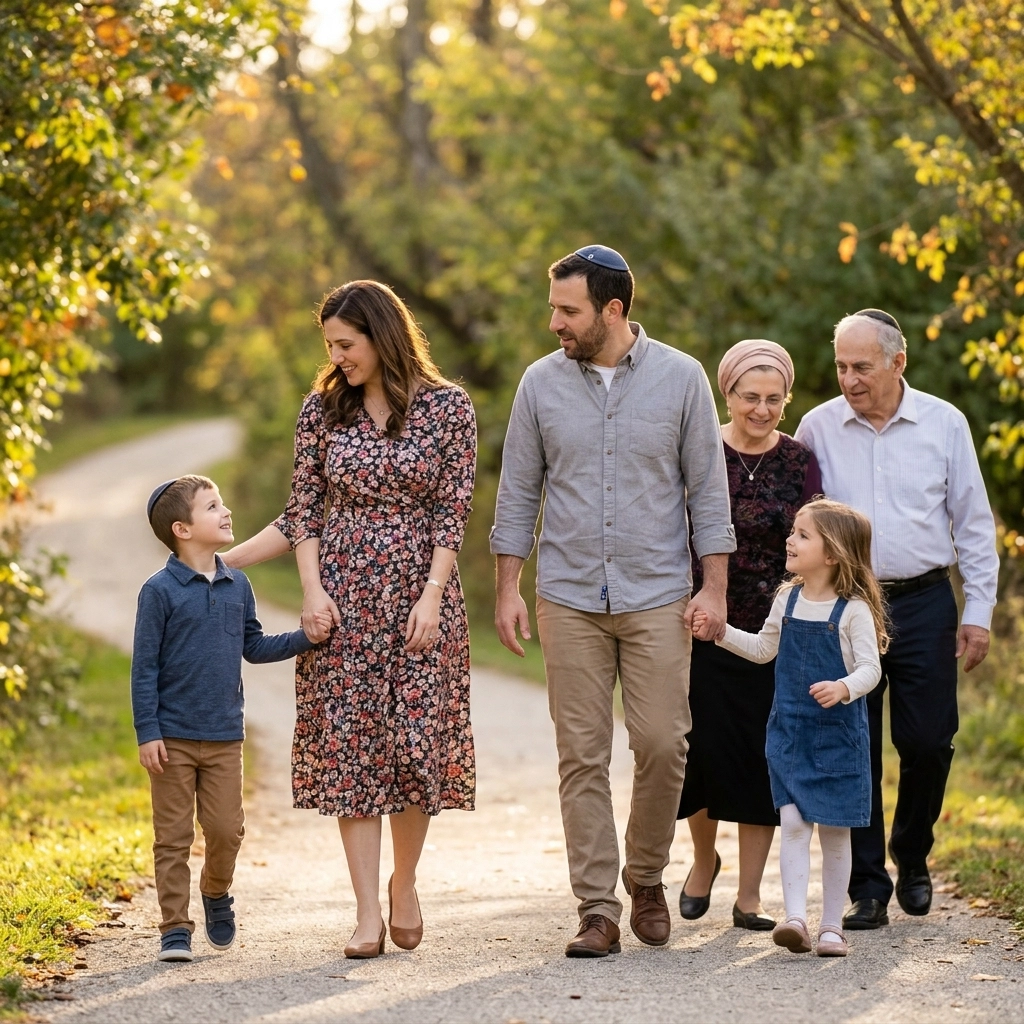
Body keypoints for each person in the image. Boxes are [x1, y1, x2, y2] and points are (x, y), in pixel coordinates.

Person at [491, 245, 735, 957]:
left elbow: (707, 493)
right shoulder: (539, 384)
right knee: (582, 755)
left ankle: (647, 876)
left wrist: (713, 588)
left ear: (613, 310)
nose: (555, 324)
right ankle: (597, 909)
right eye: (553, 309)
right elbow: (517, 494)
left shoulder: (682, 379)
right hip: (567, 595)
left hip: (657, 590)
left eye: (568, 311)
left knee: (663, 742)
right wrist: (508, 588)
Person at [222, 280, 477, 959]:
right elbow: (303, 510)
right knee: (353, 752)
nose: (337, 357)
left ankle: (405, 883)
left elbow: (453, 511)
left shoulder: (448, 408)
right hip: (342, 598)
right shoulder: (322, 411)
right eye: (329, 345)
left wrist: (431, 594)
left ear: (381, 334)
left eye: (346, 343)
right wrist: (306, 590)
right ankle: (366, 912)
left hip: (424, 597)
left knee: (418, 747)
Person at [795, 309, 999, 929]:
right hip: (845, 602)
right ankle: (868, 886)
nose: (849, 379)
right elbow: (799, 522)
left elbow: (973, 522)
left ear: (897, 362)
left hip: (924, 600)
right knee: (853, 742)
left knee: (929, 739)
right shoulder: (818, 427)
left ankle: (912, 854)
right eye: (841, 367)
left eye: (861, 366)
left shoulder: (944, 423)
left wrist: (980, 612)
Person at [132, 474, 318, 963]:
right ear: (183, 529)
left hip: (223, 737)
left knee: (226, 830)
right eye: (212, 506)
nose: (226, 511)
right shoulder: (158, 592)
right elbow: (143, 667)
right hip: (171, 738)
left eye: (222, 502)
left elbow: (253, 647)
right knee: (172, 837)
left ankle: (216, 892)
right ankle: (175, 926)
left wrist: (305, 638)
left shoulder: (239, 585)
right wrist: (147, 731)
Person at [696, 498, 885, 957]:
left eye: (802, 534)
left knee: (836, 832)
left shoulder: (854, 609)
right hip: (791, 733)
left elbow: (871, 669)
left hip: (838, 738)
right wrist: (721, 633)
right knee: (794, 823)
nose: (789, 539)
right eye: (793, 532)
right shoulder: (789, 597)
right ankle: (796, 917)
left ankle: (831, 926)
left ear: (833, 553)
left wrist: (843, 688)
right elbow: (764, 649)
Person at [677, 339, 821, 931]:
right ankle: (703, 859)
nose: (760, 409)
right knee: (704, 752)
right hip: (703, 622)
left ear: (786, 401)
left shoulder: (801, 459)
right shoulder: (700, 447)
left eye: (773, 399)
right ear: (727, 393)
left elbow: (818, 534)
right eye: (749, 396)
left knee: (768, 758)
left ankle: (751, 896)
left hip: (776, 629)